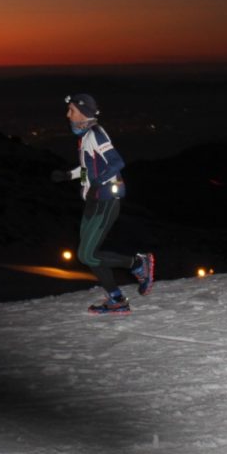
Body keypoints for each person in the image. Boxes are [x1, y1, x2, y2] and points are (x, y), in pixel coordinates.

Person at [51, 93, 155, 313]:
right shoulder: (85, 137)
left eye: (71, 110)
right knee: (88, 254)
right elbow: (88, 169)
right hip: (93, 199)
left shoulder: (95, 134)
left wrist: (97, 183)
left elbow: (117, 162)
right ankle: (116, 299)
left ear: (83, 114)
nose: (67, 114)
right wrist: (68, 175)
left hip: (106, 199)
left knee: (88, 254)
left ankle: (138, 264)